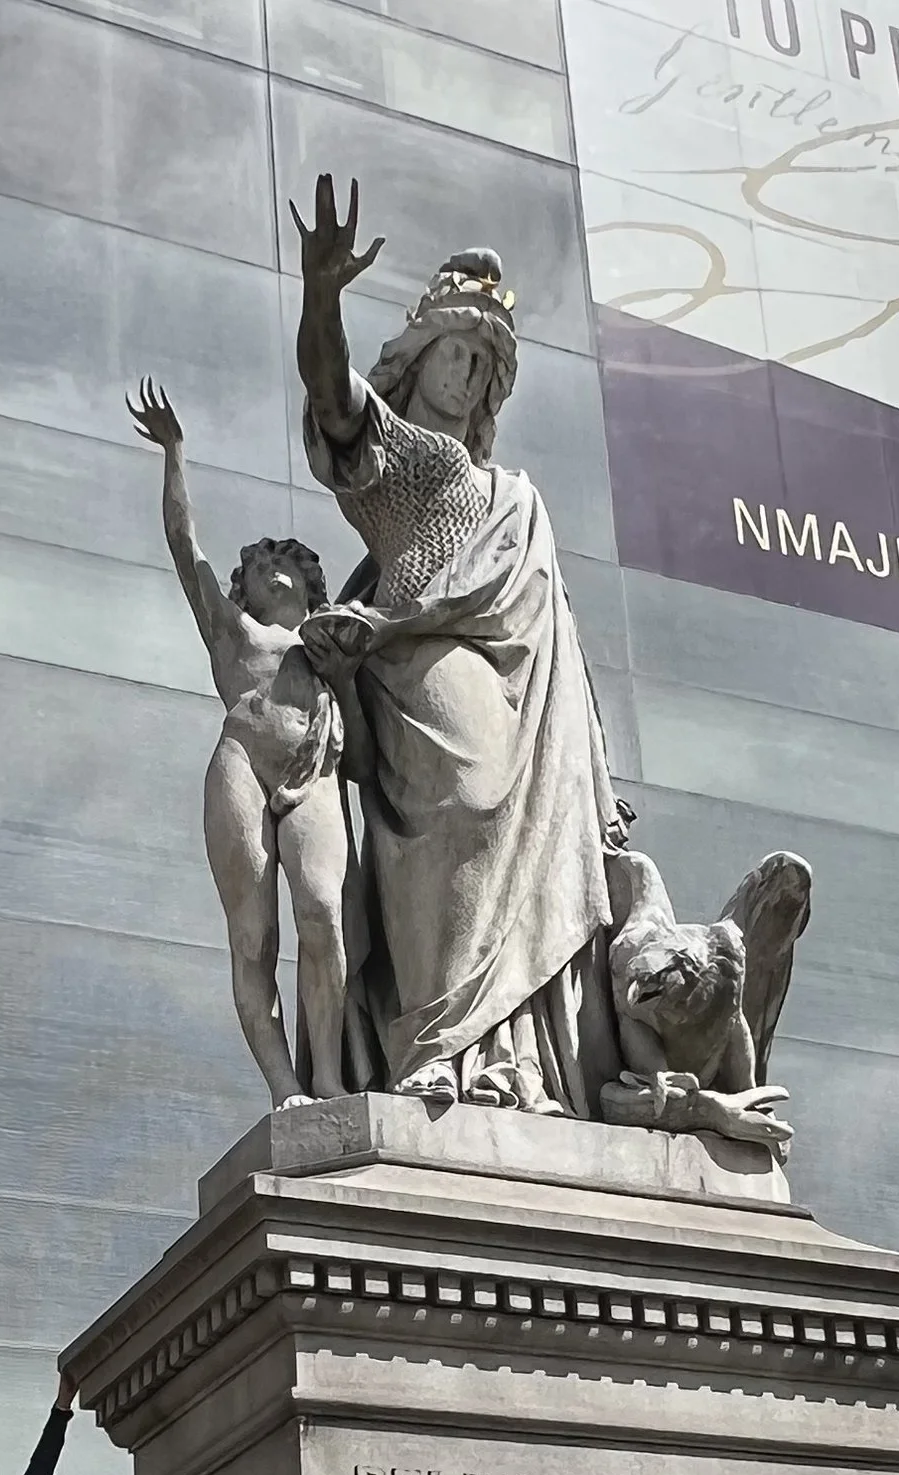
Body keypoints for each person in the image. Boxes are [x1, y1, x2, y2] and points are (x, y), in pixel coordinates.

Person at [292, 181, 624, 1114]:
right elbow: (332, 397)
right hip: (417, 666)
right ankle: (434, 1043)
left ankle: (509, 1063)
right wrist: (322, 294)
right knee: (467, 808)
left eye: (486, 364)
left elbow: (555, 628)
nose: (469, 375)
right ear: (419, 354)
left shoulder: (512, 494)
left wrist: (595, 761)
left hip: (527, 690)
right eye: (457, 351)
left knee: (524, 834)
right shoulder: (402, 459)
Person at [126, 376, 352, 1107]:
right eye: (256, 566)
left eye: (282, 562)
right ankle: (287, 1087)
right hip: (242, 767)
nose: (270, 569)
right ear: (245, 587)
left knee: (322, 915)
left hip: (314, 773)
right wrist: (175, 453)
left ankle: (331, 1077)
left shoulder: (332, 640)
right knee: (254, 940)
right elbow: (182, 542)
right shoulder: (233, 629)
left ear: (308, 584)